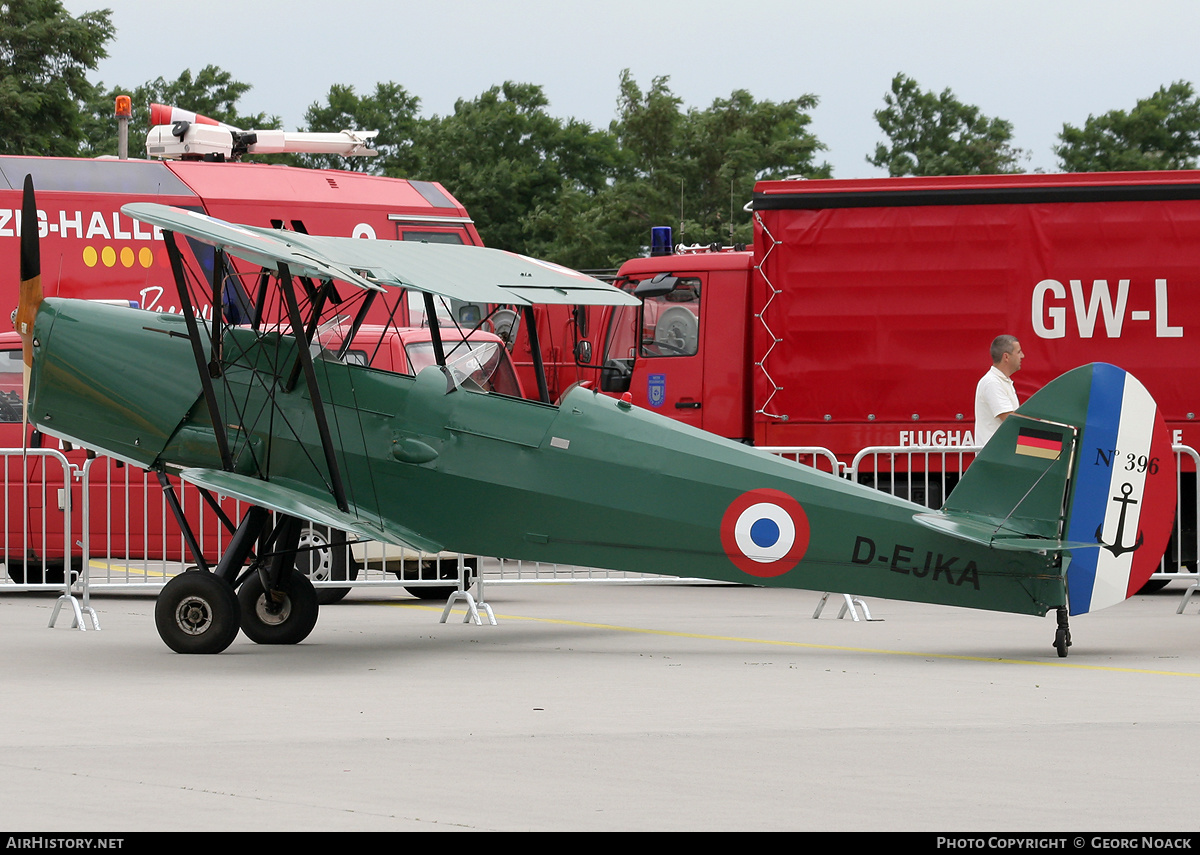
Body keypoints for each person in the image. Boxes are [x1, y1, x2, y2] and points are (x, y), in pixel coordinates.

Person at [974, 335, 1024, 446]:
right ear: (1006, 357)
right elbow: (1010, 419)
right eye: (1018, 352)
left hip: (1001, 454)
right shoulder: (992, 382)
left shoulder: (1001, 381)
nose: (1022, 356)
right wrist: (1041, 420)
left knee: (1057, 449)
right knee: (1056, 448)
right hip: (995, 458)